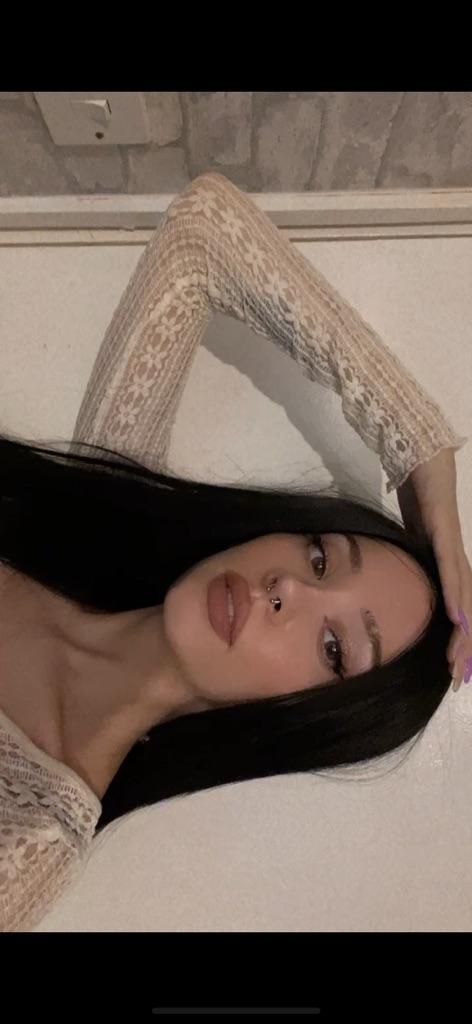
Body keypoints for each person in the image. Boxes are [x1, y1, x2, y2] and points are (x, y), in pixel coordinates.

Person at [0, 171, 469, 932]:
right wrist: (422, 451)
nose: (288, 589)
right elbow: (203, 232)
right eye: (320, 558)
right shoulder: (91, 513)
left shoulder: (32, 841)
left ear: (301, 718)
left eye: (333, 649)